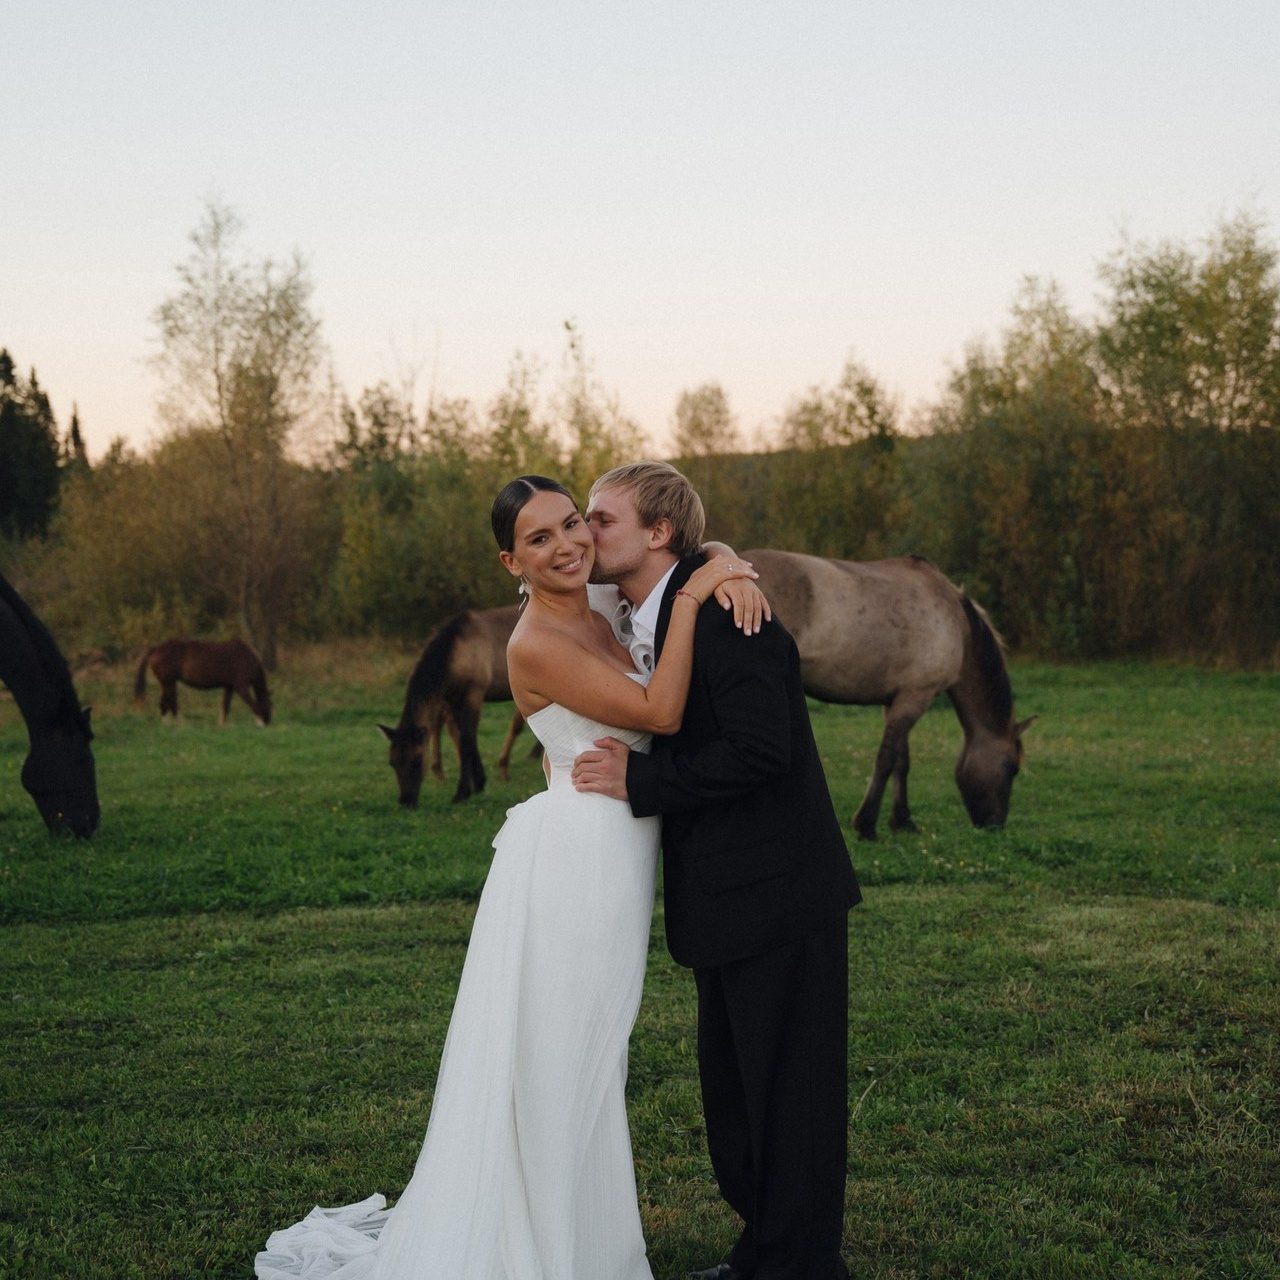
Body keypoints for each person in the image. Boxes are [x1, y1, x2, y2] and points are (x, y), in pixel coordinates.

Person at [255, 475, 759, 1280]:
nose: (566, 545)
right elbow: (661, 714)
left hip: (619, 847)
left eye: (571, 525)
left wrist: (723, 558)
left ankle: (582, 1240)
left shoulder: (593, 599)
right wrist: (699, 598)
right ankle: (544, 1254)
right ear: (509, 561)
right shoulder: (534, 644)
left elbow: (674, 554)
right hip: (576, 859)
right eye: (540, 539)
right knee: (562, 1054)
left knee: (598, 1051)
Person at [573, 461, 861, 1280]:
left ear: (657, 534)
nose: (585, 534)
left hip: (778, 891)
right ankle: (761, 1253)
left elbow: (760, 752)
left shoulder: (739, 622)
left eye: (601, 519)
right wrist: (719, 559)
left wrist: (643, 781)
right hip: (718, 900)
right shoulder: (639, 607)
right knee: (736, 1099)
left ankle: (802, 1265)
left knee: (790, 1098)